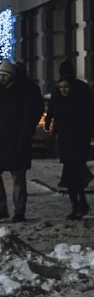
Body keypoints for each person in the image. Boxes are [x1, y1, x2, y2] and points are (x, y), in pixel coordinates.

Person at [0, 58, 33, 222]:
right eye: (0, 75)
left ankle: (19, 211)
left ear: (11, 76)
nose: (2, 78)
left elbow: (26, 119)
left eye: (5, 76)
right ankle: (0, 208)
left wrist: (23, 139)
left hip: (15, 141)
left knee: (18, 177)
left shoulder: (21, 93)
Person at [44, 60, 94, 220]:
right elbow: (53, 108)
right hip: (69, 138)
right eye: (61, 87)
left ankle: (77, 205)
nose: (63, 90)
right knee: (73, 172)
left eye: (65, 87)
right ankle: (80, 204)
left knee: (72, 172)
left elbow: (88, 114)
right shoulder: (75, 90)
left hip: (77, 138)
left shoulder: (79, 91)